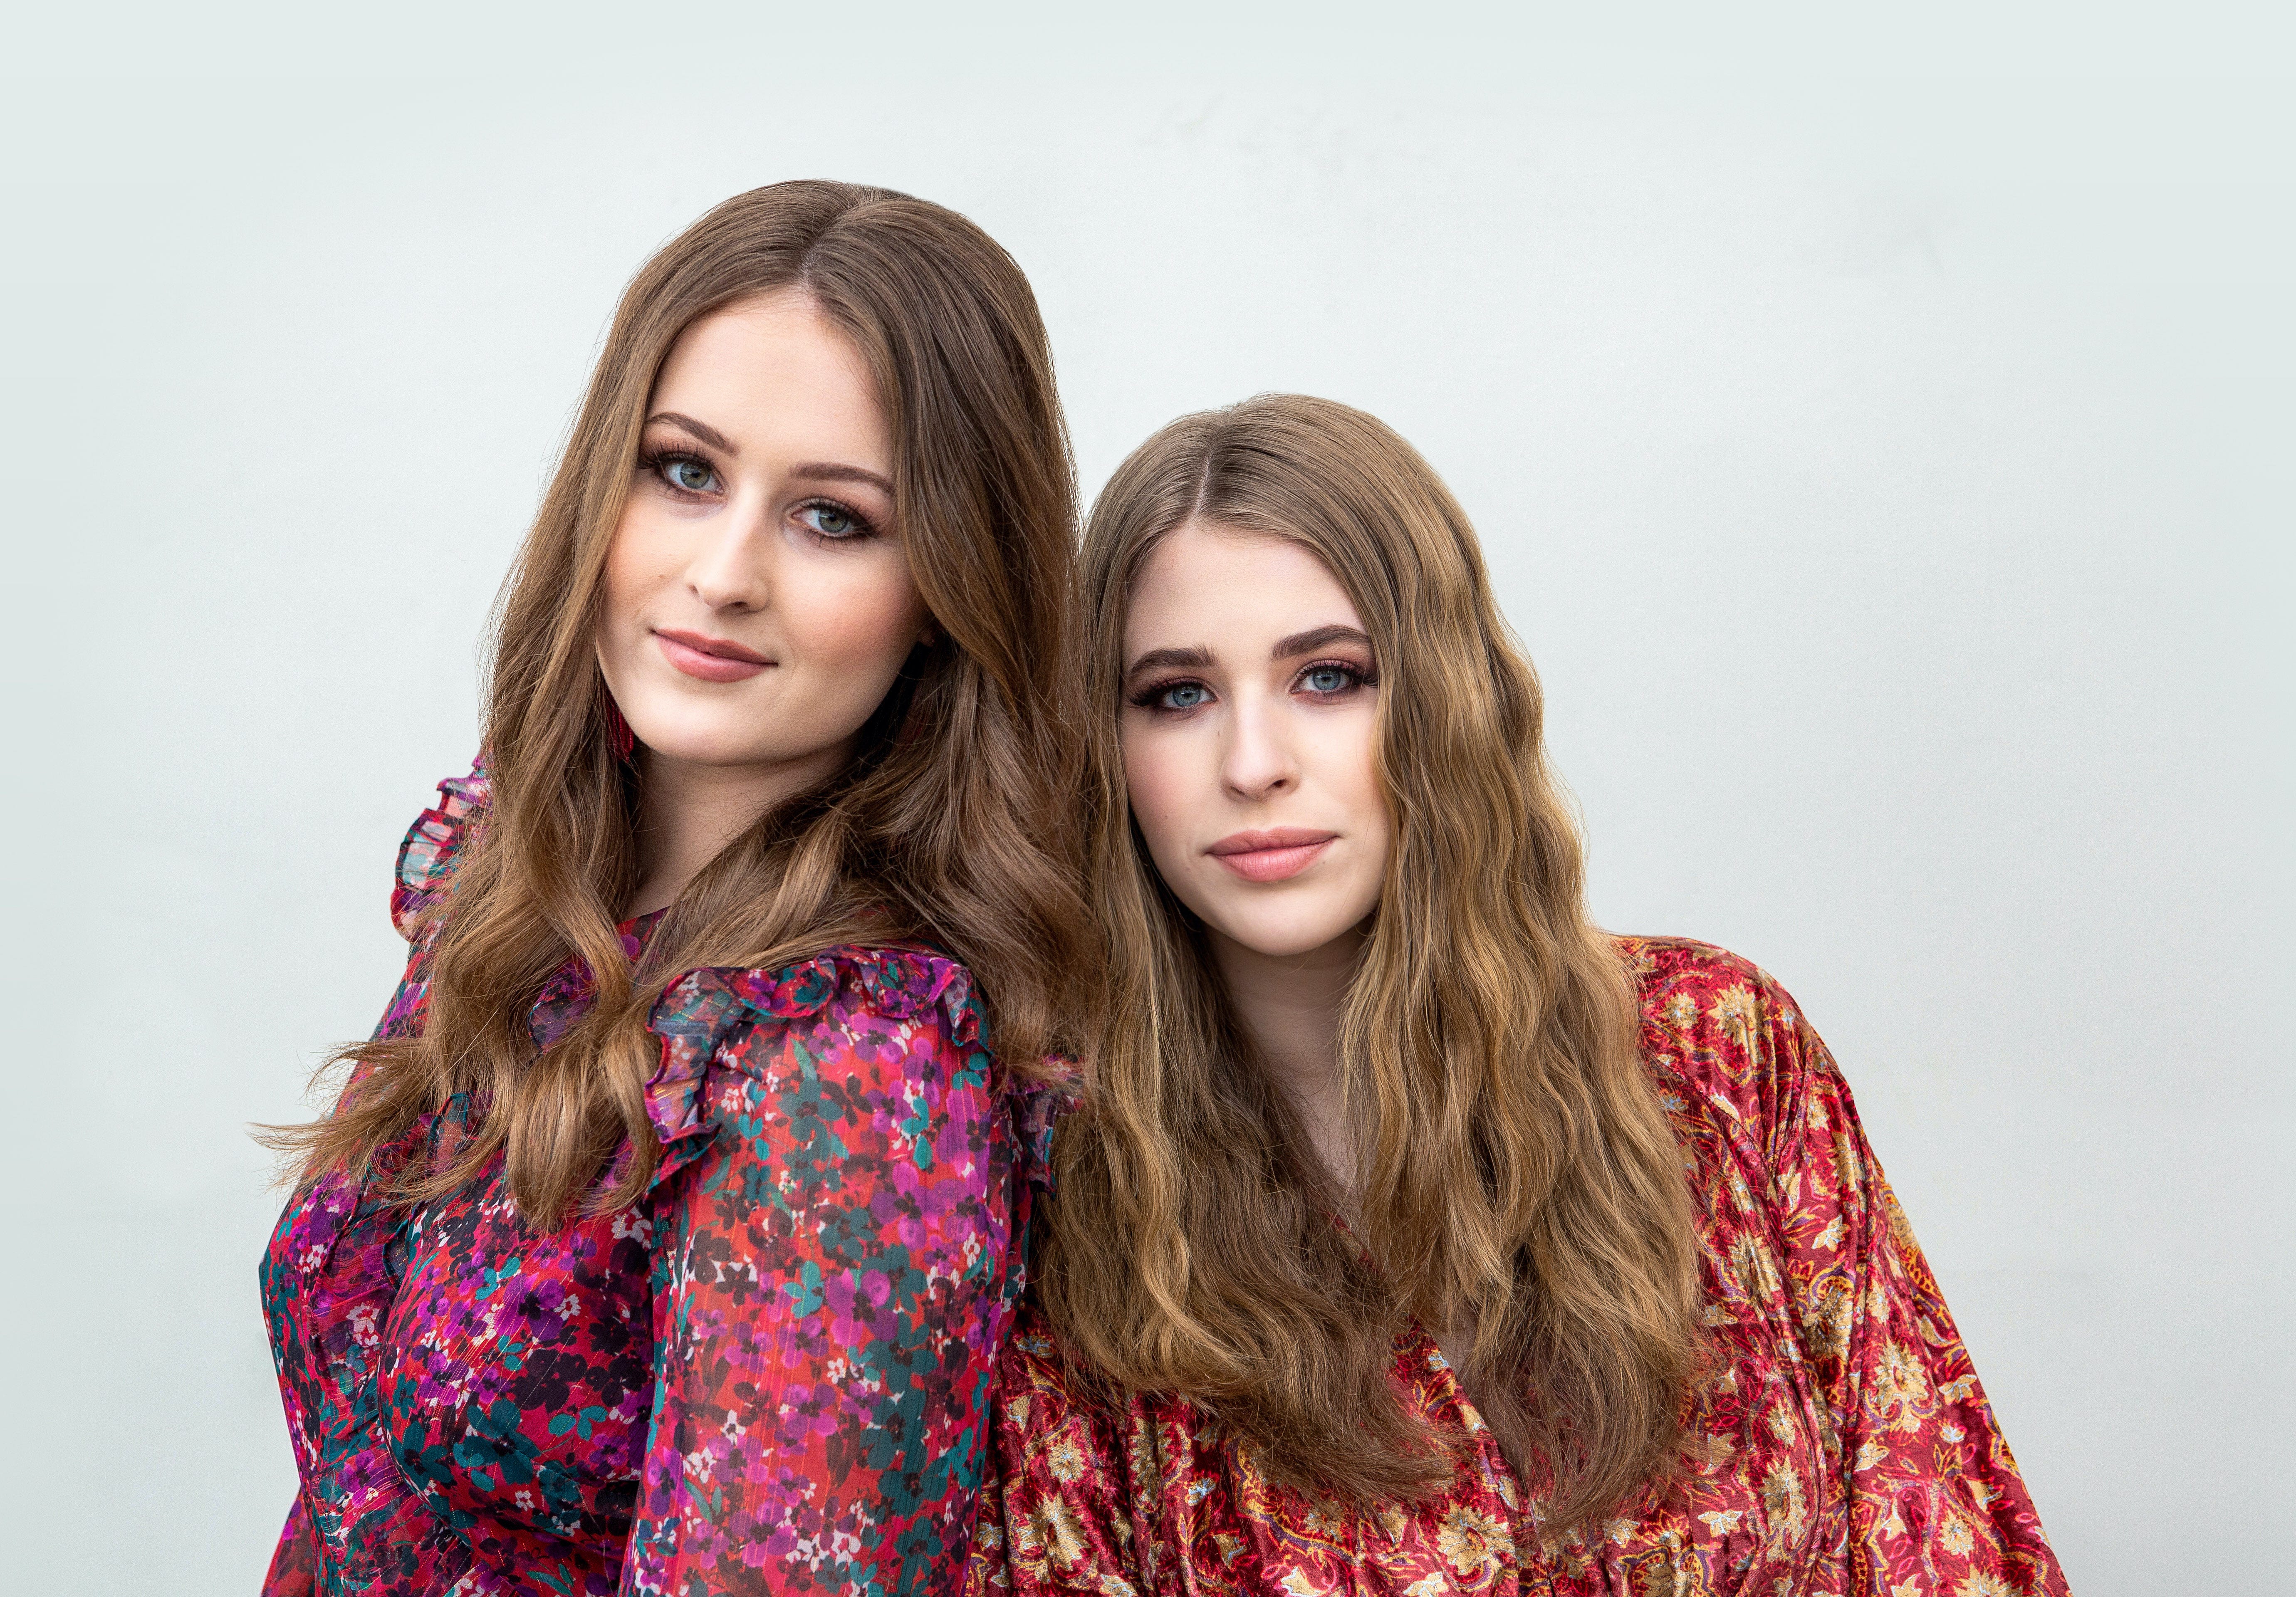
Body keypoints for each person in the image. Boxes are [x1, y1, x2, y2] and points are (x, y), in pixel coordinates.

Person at [970, 395, 2067, 1595]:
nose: (1253, 764)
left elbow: (1940, 1531)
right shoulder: (1061, 1189)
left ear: (1446, 699)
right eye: (1178, 695)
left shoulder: (1720, 1051)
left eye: (1330, 678)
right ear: (1104, 748)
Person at [257, 181, 1092, 1596]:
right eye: (685, 471)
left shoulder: (850, 1070)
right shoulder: (519, 886)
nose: (723, 574)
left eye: (832, 518)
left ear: (949, 593)